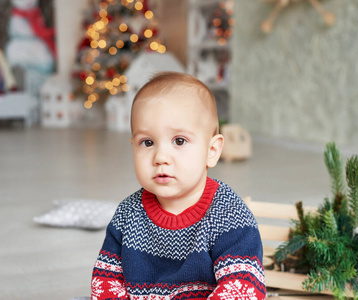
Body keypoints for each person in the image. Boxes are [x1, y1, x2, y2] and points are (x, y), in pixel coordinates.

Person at [91, 72, 265, 300]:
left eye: (179, 141)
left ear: (211, 152)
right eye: (147, 142)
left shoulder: (228, 212)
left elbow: (244, 284)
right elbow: (106, 278)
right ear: (133, 146)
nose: (161, 156)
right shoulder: (128, 213)